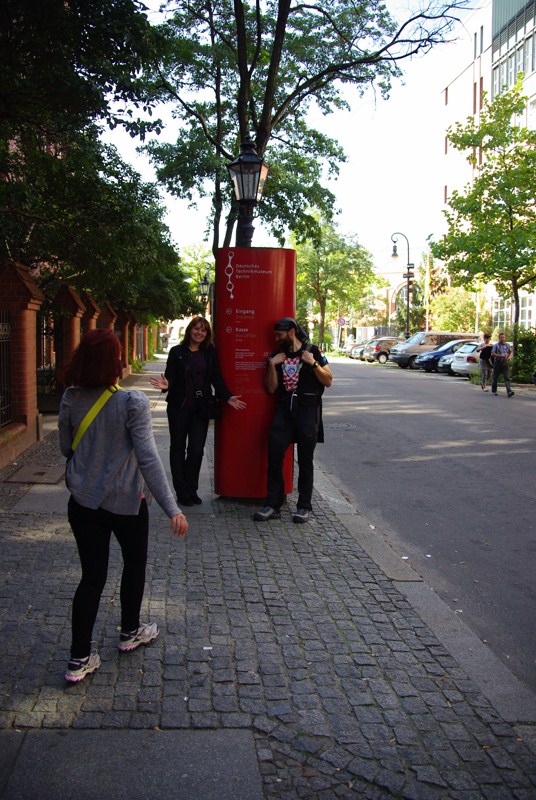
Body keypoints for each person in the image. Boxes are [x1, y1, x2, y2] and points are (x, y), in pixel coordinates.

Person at [58, 329, 189, 684]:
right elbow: (148, 458)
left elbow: (66, 448)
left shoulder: (71, 397)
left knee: (91, 577)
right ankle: (130, 631)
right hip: (127, 502)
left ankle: (78, 659)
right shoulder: (132, 402)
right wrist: (173, 509)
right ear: (114, 361)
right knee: (134, 564)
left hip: (83, 502)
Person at [150, 316, 246, 506]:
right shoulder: (176, 352)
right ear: (190, 330)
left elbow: (217, 379)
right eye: (196, 328)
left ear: (207, 334)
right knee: (177, 448)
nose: (199, 332)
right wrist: (167, 385)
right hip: (178, 407)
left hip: (201, 408)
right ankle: (182, 492)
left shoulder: (210, 352)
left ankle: (191, 488)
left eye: (203, 330)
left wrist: (227, 397)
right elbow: (170, 377)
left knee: (196, 450)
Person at [253, 317, 332, 524]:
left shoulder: (312, 351)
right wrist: (272, 365)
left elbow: (328, 380)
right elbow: (271, 388)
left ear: (291, 332)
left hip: (307, 410)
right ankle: (273, 504)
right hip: (285, 411)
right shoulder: (276, 356)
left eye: (279, 334)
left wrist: (313, 363)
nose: (276, 338)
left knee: (305, 461)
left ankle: (304, 506)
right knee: (274, 455)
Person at [491, 332, 514, 397]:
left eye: (503, 337)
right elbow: (492, 354)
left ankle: (509, 391)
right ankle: (494, 390)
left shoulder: (507, 345)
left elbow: (510, 352)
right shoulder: (496, 345)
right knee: (495, 377)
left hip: (505, 363)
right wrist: (501, 356)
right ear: (499, 338)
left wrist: (509, 357)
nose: (502, 339)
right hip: (498, 362)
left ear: (505, 338)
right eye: (501, 337)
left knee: (507, 377)